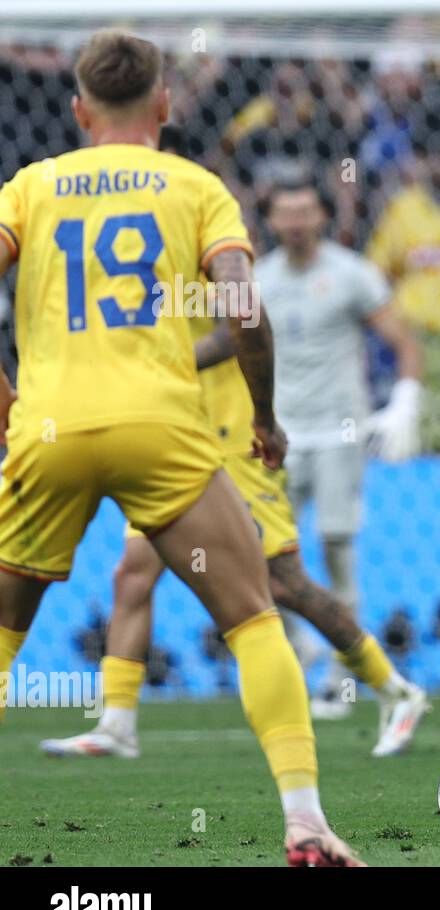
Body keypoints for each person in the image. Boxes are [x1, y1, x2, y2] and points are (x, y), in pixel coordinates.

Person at [0, 31, 362, 865]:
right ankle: (305, 822)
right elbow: (245, 313)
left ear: (78, 110)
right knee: (252, 619)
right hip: (162, 425)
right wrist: (265, 420)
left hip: (49, 428)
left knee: (6, 633)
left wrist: (9, 404)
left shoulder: (32, 187)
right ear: (164, 104)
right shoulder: (197, 187)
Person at [39, 142, 427, 762]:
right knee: (133, 573)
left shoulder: (202, 231)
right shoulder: (148, 239)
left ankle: (394, 688)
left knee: (286, 582)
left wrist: (169, 364)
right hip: (169, 437)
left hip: (231, 441)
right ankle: (117, 721)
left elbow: (241, 323)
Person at [255, 178, 424, 717]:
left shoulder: (351, 273)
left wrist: (405, 403)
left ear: (323, 215)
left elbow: (403, 343)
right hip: (277, 437)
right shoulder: (257, 280)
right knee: (263, 558)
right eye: (286, 211)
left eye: (306, 209)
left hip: (338, 433)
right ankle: (306, 648)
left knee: (336, 549)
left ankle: (337, 680)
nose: (297, 221)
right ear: (272, 219)